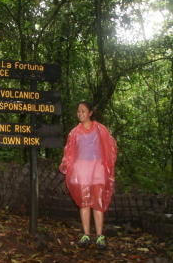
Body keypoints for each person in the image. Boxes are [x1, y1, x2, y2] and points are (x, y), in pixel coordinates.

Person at [59, 101, 117, 249]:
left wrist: (107, 166)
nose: (80, 114)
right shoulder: (74, 132)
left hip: (97, 170)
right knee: (84, 202)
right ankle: (86, 235)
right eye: (79, 111)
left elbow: (110, 147)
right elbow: (69, 152)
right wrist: (68, 167)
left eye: (83, 111)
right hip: (81, 171)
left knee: (98, 202)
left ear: (90, 113)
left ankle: (99, 236)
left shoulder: (100, 129)